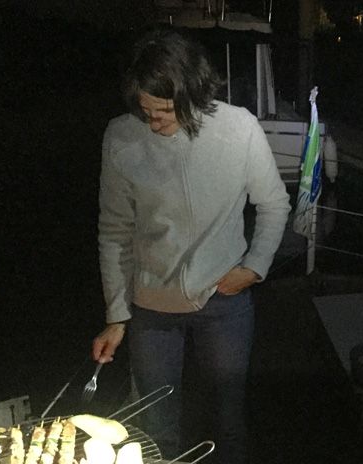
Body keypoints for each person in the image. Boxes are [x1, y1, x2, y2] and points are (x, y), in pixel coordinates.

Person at [90, 26, 290, 463]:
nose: (154, 122)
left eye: (164, 111)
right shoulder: (120, 137)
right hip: (151, 307)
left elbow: (273, 203)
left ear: (194, 94)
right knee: (155, 425)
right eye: (145, 111)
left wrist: (254, 267)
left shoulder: (238, 128)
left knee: (227, 420)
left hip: (223, 299)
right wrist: (116, 316)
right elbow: (115, 231)